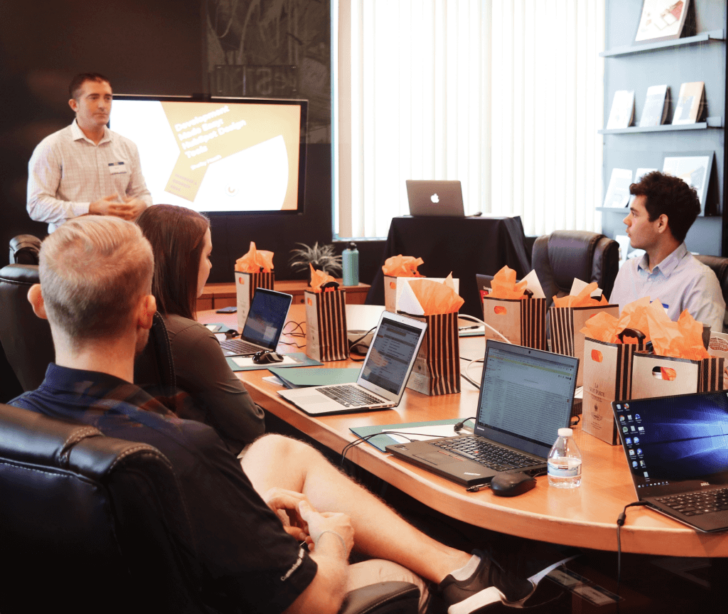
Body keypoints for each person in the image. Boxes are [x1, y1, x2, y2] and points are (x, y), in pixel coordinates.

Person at [10, 216, 535, 614]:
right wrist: (334, 536)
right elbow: (313, 602)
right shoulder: (182, 449)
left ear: (38, 301)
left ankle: (459, 565)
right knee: (397, 574)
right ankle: (460, 574)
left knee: (276, 449)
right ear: (147, 313)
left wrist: (246, 505)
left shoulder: (14, 426)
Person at [135, 204, 264, 454]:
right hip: (211, 464)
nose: (211, 266)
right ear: (183, 263)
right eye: (207, 255)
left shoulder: (128, 321)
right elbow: (252, 427)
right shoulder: (191, 338)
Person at [26, 72, 151, 233]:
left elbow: (143, 194)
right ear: (74, 105)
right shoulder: (52, 147)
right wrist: (90, 208)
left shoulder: (127, 146)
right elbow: (36, 206)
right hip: (73, 246)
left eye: (107, 98)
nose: (102, 105)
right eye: (93, 97)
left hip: (121, 243)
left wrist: (142, 204)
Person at [609, 171, 726, 332]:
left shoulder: (699, 281)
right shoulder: (627, 270)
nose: (626, 220)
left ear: (661, 223)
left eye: (635, 214)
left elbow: (705, 354)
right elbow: (606, 336)